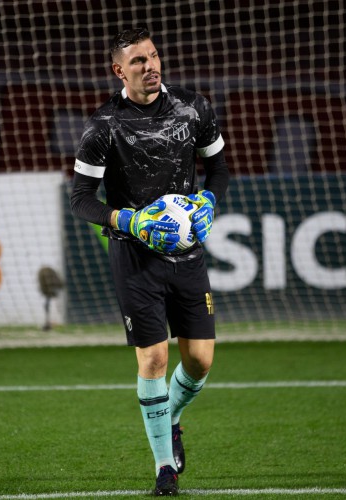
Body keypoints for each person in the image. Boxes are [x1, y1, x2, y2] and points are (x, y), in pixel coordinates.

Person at [70, 27, 230, 496]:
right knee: (155, 357)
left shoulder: (193, 108)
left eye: (154, 56)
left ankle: (171, 416)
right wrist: (129, 220)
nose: (151, 65)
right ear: (119, 70)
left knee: (199, 362)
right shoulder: (104, 125)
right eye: (138, 61)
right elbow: (80, 200)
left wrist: (209, 202)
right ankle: (165, 468)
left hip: (186, 251)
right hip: (134, 253)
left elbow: (217, 167)